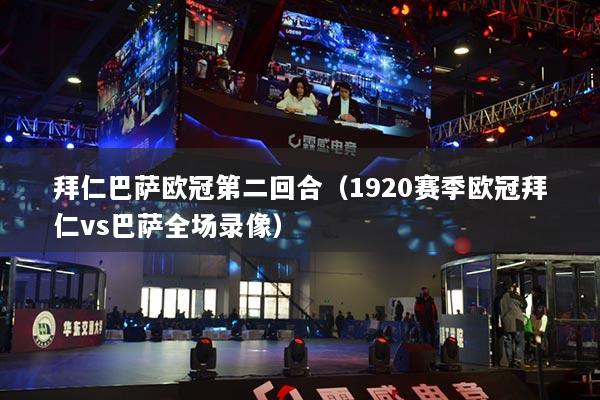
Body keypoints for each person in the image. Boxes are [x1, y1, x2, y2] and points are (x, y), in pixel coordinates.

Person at [501, 282, 527, 368]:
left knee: (508, 343)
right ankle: (517, 360)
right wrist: (518, 294)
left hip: (506, 323)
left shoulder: (501, 298)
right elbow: (524, 304)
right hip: (517, 322)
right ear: (511, 288)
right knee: (519, 342)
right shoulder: (514, 296)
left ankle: (510, 361)